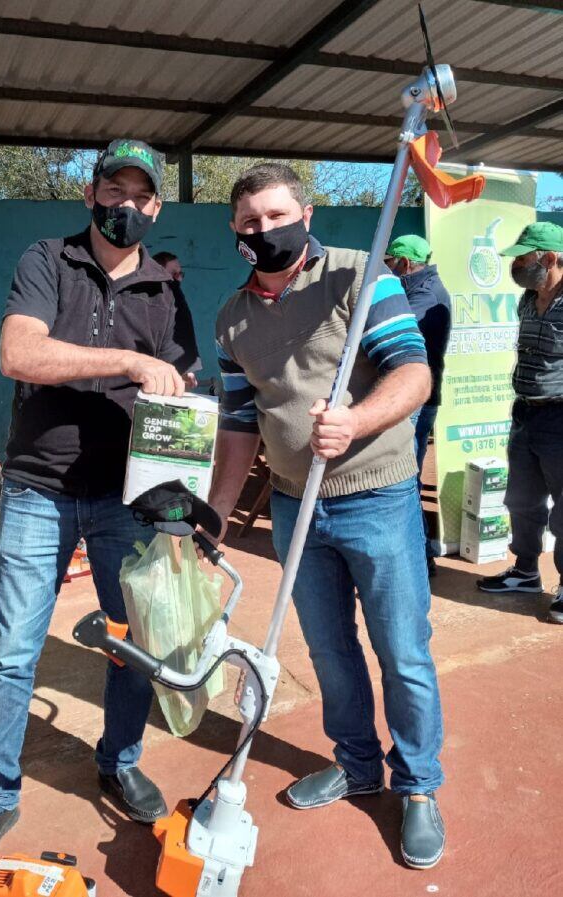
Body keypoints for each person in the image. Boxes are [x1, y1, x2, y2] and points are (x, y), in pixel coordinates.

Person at [0, 139, 197, 880]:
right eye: (113, 191)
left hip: (124, 496)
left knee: (129, 645)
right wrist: (125, 360)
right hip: (38, 487)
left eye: (140, 195)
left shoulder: (165, 288)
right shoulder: (47, 260)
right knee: (16, 648)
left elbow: (180, 389)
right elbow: (19, 354)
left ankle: (120, 762)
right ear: (90, 194)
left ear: (156, 206)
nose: (126, 206)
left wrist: (175, 492)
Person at [208, 163, 445, 869]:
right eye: (251, 222)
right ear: (235, 232)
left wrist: (355, 420)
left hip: (377, 495)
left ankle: (419, 786)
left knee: (401, 649)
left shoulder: (362, 276)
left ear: (306, 215)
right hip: (294, 505)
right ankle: (357, 762)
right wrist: (219, 511)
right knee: (328, 649)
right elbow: (238, 421)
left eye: (278, 215)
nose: (265, 230)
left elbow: (413, 371)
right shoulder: (231, 317)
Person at [477, 222, 563, 624]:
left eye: (523, 257)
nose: (516, 264)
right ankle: (526, 572)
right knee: (522, 499)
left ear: (550, 258)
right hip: (526, 412)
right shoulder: (529, 299)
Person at [385, 235, 452, 576]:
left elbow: (394, 331)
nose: (388, 269)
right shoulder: (420, 289)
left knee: (404, 477)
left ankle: (420, 555)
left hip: (416, 400)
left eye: (390, 262)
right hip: (415, 398)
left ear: (406, 264)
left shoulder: (424, 296)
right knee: (404, 475)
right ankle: (419, 552)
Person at [153, 250, 202, 375]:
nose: (179, 279)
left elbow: (183, 333)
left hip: (175, 372)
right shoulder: (153, 300)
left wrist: (187, 370)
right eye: (174, 274)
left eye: (180, 274)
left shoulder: (175, 296)